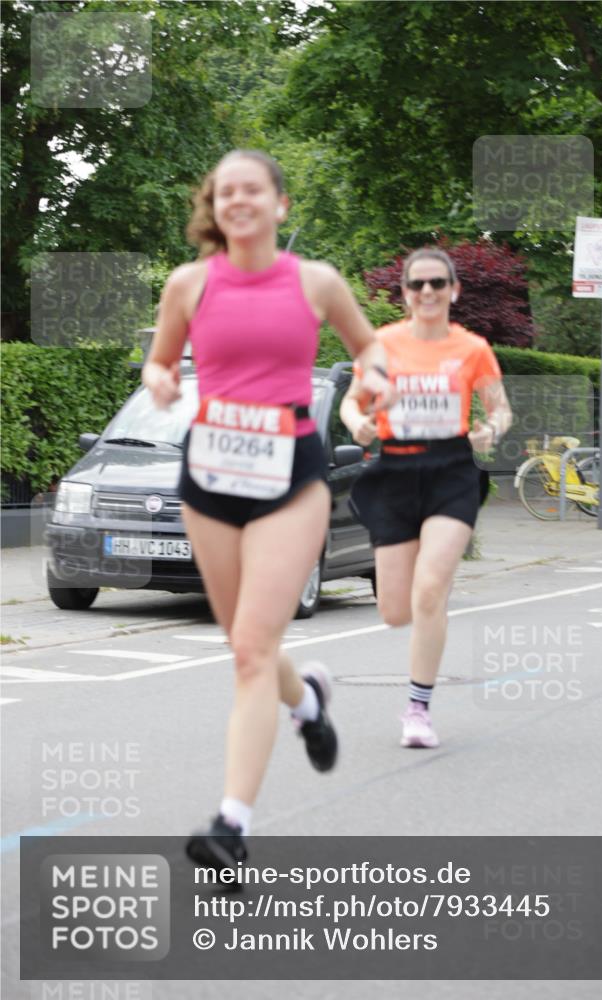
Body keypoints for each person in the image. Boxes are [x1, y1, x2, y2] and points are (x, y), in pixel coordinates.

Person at [142, 149, 394, 865]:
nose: (239, 200)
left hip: (289, 472)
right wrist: (160, 380)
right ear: (214, 207)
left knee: (253, 648)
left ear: (279, 204)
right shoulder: (188, 284)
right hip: (211, 473)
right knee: (246, 643)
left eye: (252, 189)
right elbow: (160, 359)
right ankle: (307, 702)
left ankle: (230, 824)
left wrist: (375, 379)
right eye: (226, 191)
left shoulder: (315, 281)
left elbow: (369, 348)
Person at [340, 247, 512, 749]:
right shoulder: (382, 344)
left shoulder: (473, 349)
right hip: (395, 469)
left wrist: (490, 429)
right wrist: (359, 423)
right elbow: (352, 402)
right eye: (418, 284)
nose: (428, 292)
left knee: (431, 589)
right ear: (405, 293)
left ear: (454, 290)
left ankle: (418, 709)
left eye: (438, 283)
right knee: (395, 611)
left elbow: (500, 408)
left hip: (451, 471)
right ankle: (421, 616)